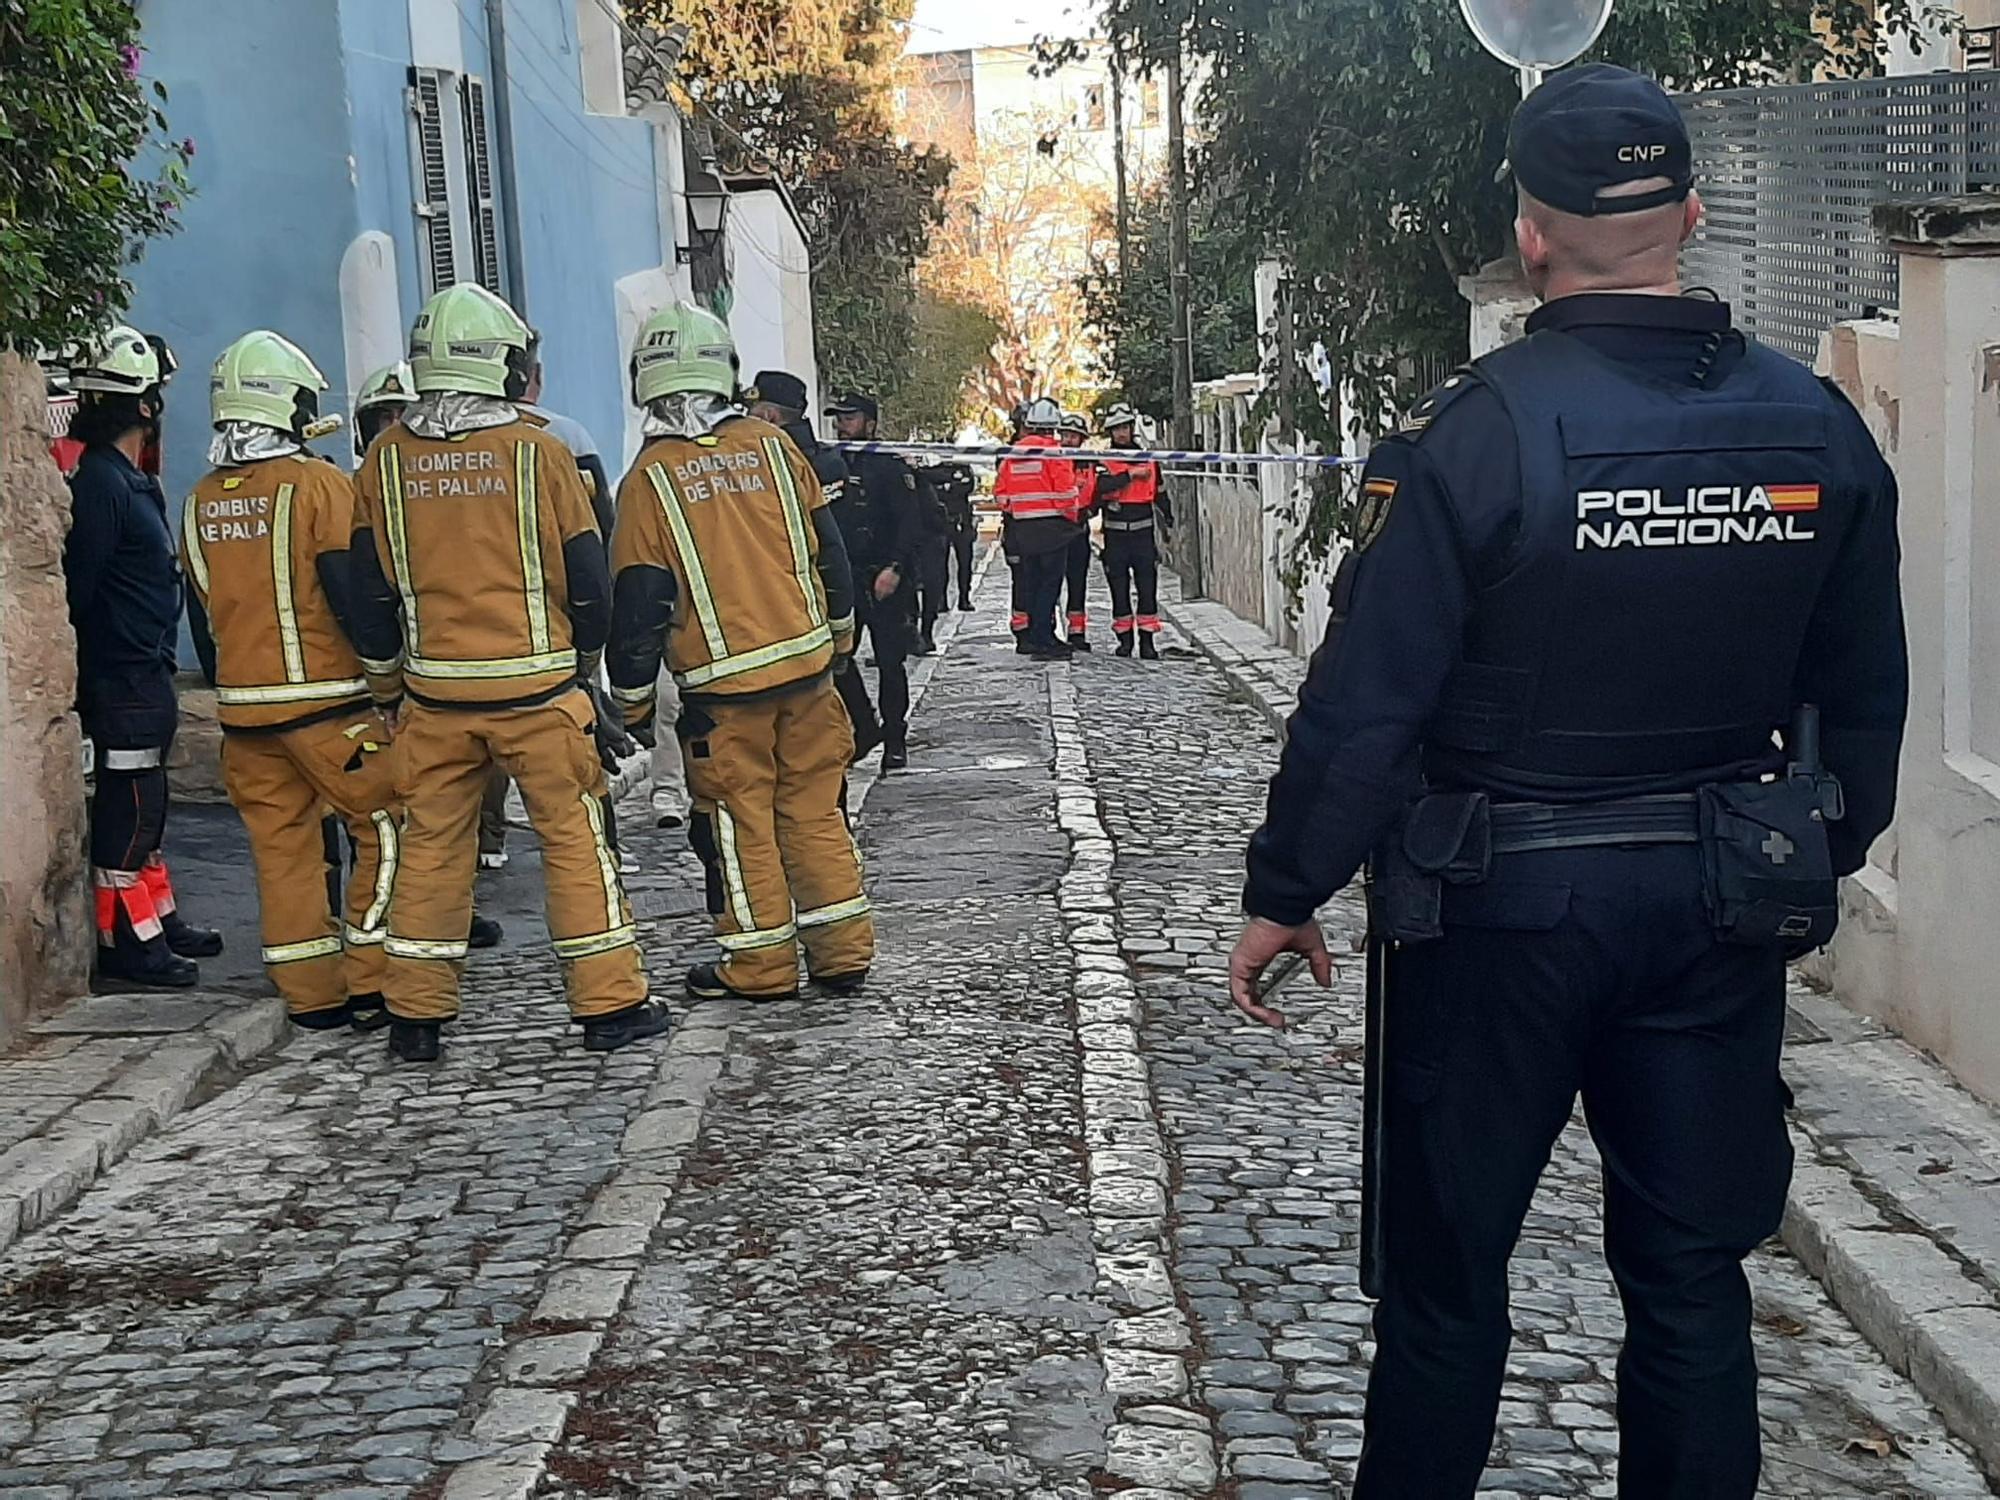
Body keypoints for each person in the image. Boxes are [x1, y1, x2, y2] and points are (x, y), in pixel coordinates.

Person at [1225, 66, 1907, 1499]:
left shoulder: (1477, 433)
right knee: (1689, 1281)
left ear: (1530, 235)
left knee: (1447, 1284)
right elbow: (1864, 692)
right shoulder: (1815, 428)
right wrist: (1811, 857)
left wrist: (1289, 888)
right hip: (1716, 901)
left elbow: (1370, 699)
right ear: (1696, 216)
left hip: (1502, 917)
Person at [350, 282, 667, 1063]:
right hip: (538, 694)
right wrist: (587, 673)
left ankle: (415, 1019)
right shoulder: (539, 453)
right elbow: (589, 581)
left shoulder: (385, 459)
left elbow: (369, 591)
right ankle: (609, 1006)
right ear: (501, 365)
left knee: (430, 849)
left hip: (434, 698)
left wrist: (389, 689)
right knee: (575, 841)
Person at [608, 303, 874, 1002]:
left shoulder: (647, 482)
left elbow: (640, 606)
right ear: (725, 374)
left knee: (738, 824)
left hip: (723, 699)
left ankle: (760, 966)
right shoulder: (774, 447)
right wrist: (840, 642)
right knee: (816, 810)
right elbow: (832, 555)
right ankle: (843, 950)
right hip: (810, 673)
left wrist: (633, 703)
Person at [180, 331, 398, 1031]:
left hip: (246, 719)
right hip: (333, 713)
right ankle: (372, 977)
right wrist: (387, 680)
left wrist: (234, 692)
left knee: (283, 852)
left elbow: (202, 613)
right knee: (389, 827)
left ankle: (311, 996)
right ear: (291, 407)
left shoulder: (199, 501)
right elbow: (351, 592)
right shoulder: (319, 486)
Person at [63, 324, 223, 988]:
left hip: (143, 670)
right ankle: (128, 941)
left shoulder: (126, 481)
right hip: (123, 674)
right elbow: (84, 584)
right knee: (129, 805)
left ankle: (156, 920)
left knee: (149, 802)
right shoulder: (103, 483)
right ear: (146, 406)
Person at [350, 363, 502, 952]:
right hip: (390, 683)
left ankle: (447, 922)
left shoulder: (440, 485)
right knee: (406, 822)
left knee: (439, 819)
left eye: (400, 415)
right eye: (383, 418)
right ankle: (403, 940)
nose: (395, 427)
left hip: (434, 677)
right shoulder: (358, 487)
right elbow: (363, 593)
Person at [748, 370, 881, 763]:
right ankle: (857, 728)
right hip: (814, 581)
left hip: (809, 582)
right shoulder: (805, 456)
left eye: (751, 410)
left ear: (770, 417)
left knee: (823, 671)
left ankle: (853, 730)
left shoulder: (804, 461)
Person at [827, 393, 923, 770]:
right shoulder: (831, 463)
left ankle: (895, 740)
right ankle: (864, 726)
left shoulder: (889, 466)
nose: (842, 425)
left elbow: (911, 523)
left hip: (883, 578)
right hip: (845, 576)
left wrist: (895, 568)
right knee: (839, 659)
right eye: (839, 418)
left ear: (869, 423)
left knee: (889, 662)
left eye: (849, 418)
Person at [993, 397, 1082, 660]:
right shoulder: (1054, 452)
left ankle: (1034, 636)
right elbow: (1066, 494)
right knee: (1049, 585)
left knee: (1030, 584)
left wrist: (1022, 509)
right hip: (1052, 529)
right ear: (1053, 427)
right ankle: (1044, 638)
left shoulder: (1013, 453)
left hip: (1023, 530)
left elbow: (1001, 495)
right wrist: (1070, 515)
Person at [1095, 403, 1170, 659]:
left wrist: (1169, 520)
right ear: (1110, 432)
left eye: (1125, 428)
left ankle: (1147, 642)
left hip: (1143, 534)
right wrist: (1129, 475)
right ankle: (1125, 641)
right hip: (1116, 536)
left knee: (1147, 588)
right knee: (1119, 590)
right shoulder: (1104, 460)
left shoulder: (1148, 458)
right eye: (1116, 429)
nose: (1122, 434)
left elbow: (1159, 492)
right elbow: (1101, 489)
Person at [1057, 411, 1097, 650]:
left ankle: (1077, 631)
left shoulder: (1091, 463)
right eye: (1065, 435)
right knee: (1050, 581)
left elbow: (1099, 489)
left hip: (1080, 529)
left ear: (1082, 439)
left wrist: (1092, 511)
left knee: (1077, 582)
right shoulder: (1053, 461)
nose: (1069, 440)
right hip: (1056, 529)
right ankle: (1047, 627)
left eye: (1074, 436)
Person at [931, 459, 978, 611]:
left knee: (965, 562)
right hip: (941, 521)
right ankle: (941, 601)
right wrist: (950, 485)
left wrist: (947, 487)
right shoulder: (935, 470)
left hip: (962, 520)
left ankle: (964, 598)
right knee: (939, 565)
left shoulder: (963, 468)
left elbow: (967, 487)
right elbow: (933, 490)